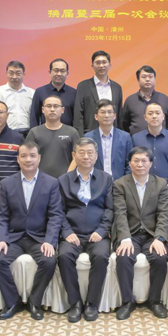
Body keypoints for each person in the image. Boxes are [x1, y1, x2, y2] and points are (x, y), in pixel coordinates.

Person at [0, 141, 64, 321]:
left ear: (39, 158)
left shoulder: (51, 183)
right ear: (18, 159)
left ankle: (34, 302)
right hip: (14, 237)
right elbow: (1, 216)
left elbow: (55, 215)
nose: (28, 160)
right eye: (23, 156)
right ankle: (13, 301)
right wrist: (1, 239)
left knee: (49, 261)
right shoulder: (6, 183)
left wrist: (49, 241)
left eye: (32, 156)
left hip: (39, 238)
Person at [57, 138, 113, 323]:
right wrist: (67, 232)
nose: (86, 156)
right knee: (64, 256)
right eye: (81, 152)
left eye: (90, 152)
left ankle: (92, 304)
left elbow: (110, 209)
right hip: (72, 233)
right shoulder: (63, 180)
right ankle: (75, 303)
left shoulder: (106, 179)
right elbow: (58, 211)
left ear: (96, 156)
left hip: (97, 234)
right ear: (74, 155)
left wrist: (102, 230)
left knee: (101, 256)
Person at [112, 147, 168, 320]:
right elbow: (120, 214)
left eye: (144, 161)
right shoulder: (120, 184)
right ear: (129, 163)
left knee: (160, 257)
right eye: (136, 160)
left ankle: (155, 301)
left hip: (152, 235)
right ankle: (127, 302)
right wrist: (124, 238)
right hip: (130, 234)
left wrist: (160, 237)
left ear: (151, 164)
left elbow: (164, 214)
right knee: (124, 257)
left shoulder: (161, 184)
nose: (140, 164)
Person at [26, 96, 80, 178]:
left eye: (56, 106)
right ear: (43, 110)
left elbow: (77, 157)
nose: (52, 109)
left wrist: (67, 176)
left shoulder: (72, 132)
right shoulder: (34, 132)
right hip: (40, 180)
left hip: (65, 180)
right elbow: (28, 157)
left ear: (62, 110)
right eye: (48, 106)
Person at [74, 50, 124, 136]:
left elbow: (119, 115)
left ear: (110, 65)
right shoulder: (83, 86)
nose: (101, 65)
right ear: (92, 66)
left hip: (112, 135)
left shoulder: (117, 87)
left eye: (104, 62)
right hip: (90, 135)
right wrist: (81, 138)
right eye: (98, 63)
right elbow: (78, 115)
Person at [132, 102, 168, 179]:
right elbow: (131, 164)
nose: (154, 116)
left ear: (163, 116)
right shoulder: (136, 138)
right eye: (150, 113)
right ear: (145, 117)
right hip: (142, 183)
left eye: (157, 113)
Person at [84, 99, 132, 180]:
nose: (106, 115)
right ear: (96, 116)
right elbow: (85, 163)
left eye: (110, 112)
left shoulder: (125, 137)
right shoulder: (88, 138)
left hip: (119, 183)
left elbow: (129, 163)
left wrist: (125, 182)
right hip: (96, 182)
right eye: (103, 112)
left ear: (115, 116)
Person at [0, 61, 34, 137]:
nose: (14, 77)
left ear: (24, 74)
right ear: (6, 74)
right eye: (11, 73)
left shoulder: (32, 93)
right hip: (5, 134)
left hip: (28, 134)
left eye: (18, 73)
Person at [122, 65, 168, 135]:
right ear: (138, 80)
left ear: (155, 79)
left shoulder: (164, 99)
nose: (147, 79)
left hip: (160, 139)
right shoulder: (130, 100)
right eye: (144, 77)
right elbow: (124, 124)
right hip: (136, 141)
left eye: (150, 76)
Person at [29, 58, 76, 128]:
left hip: (68, 132)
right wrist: (34, 133)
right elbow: (34, 117)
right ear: (50, 72)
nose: (59, 74)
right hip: (45, 132)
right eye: (56, 70)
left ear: (67, 73)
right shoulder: (40, 91)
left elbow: (77, 117)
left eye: (62, 71)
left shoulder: (74, 92)